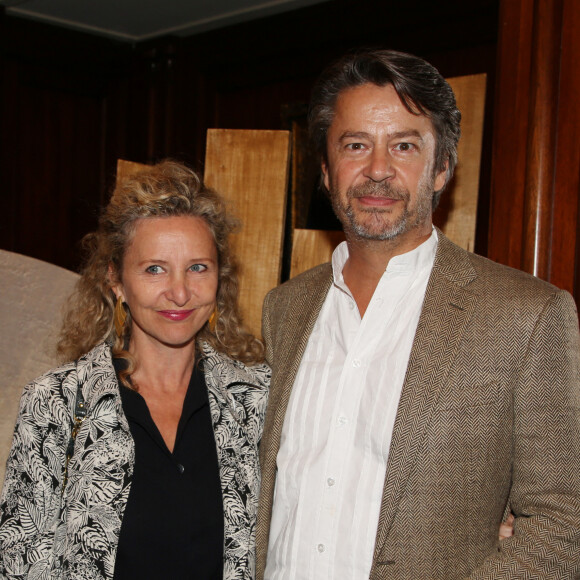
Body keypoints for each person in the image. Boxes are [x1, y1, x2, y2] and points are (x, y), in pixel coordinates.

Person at [256, 49, 580, 579]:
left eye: (404, 145)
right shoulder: (284, 310)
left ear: (441, 168)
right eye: (355, 145)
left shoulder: (527, 316)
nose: (377, 170)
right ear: (325, 168)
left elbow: (563, 522)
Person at [0, 161, 270, 579]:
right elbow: (17, 565)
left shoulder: (256, 400)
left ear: (220, 277)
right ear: (116, 280)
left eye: (198, 267)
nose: (179, 293)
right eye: (154, 269)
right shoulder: (56, 402)